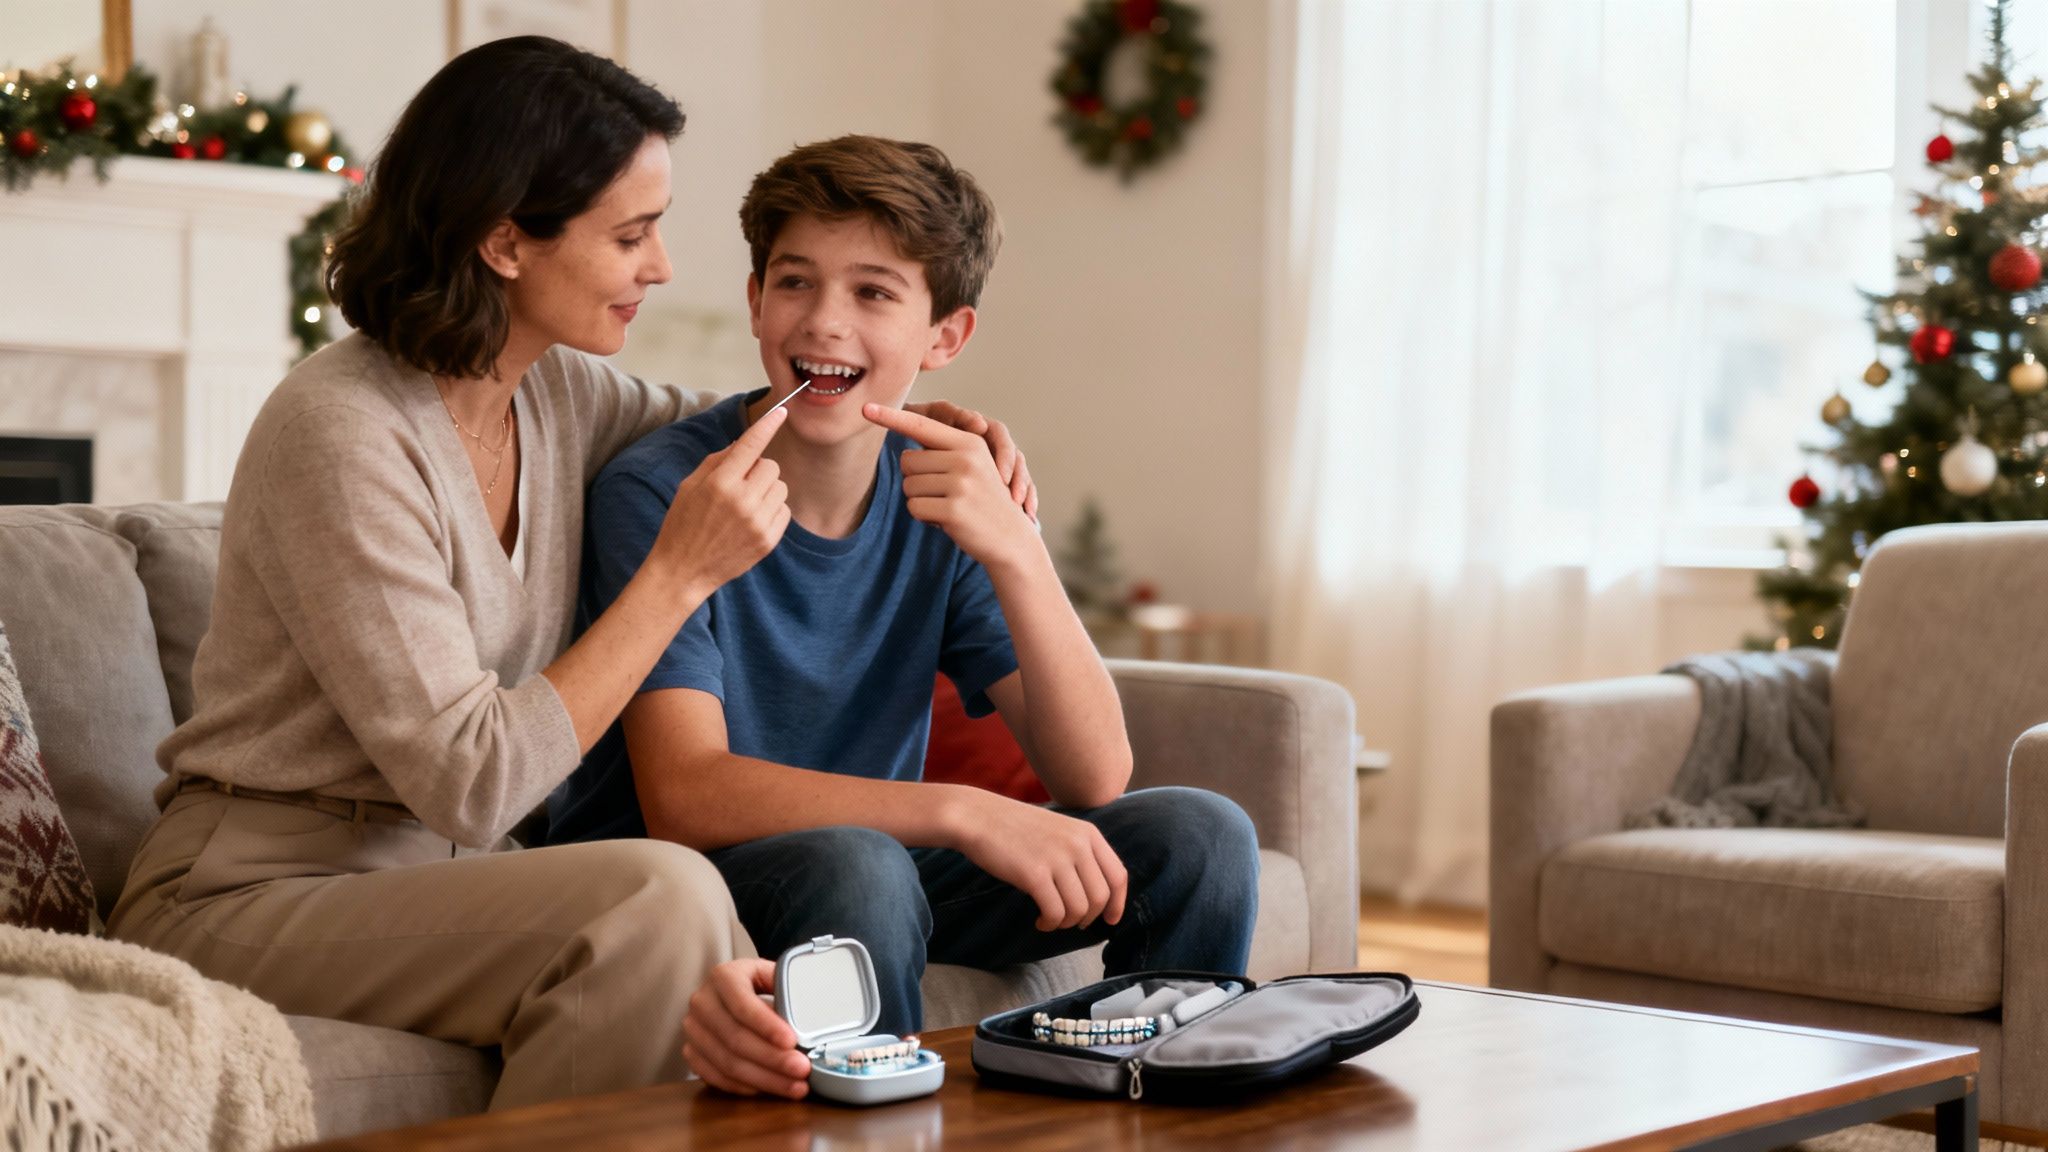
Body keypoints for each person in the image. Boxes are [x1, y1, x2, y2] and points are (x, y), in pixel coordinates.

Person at [105, 40, 1032, 1111]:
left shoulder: (559, 397)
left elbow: (771, 419)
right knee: (654, 894)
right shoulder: (343, 430)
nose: (661, 265)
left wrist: (933, 420)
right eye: (630, 234)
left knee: (697, 920)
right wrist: (675, 578)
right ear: (506, 239)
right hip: (256, 885)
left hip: (459, 880)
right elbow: (474, 778)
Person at [545, 135, 1261, 1100]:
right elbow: (687, 794)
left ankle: (1159, 1109)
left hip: (879, 864)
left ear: (946, 337)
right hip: (714, 882)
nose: (825, 322)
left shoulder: (944, 497)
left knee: (1202, 837)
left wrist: (1014, 545)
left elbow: (1093, 773)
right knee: (864, 868)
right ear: (756, 301)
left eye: (875, 293)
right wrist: (965, 814)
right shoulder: (667, 490)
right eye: (795, 282)